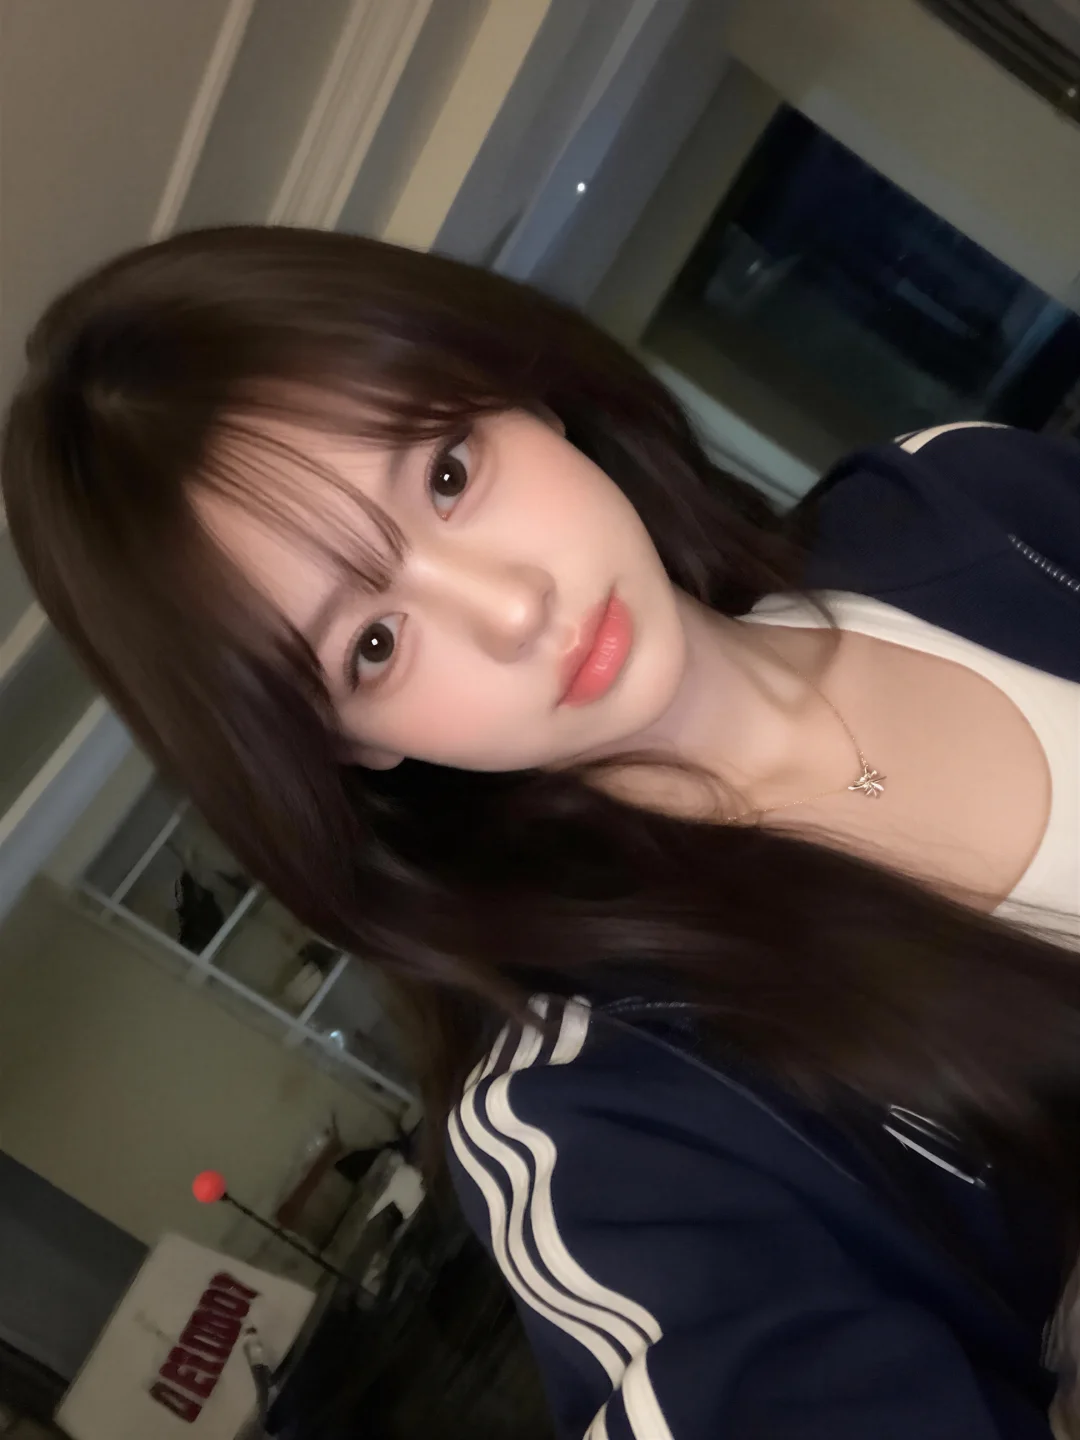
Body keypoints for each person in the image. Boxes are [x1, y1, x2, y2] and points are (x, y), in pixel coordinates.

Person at [3, 225, 1079, 1439]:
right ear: (354, 746)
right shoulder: (597, 1113)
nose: (514, 609)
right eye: (374, 644)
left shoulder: (949, 500)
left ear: (521, 394)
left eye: (447, 474)